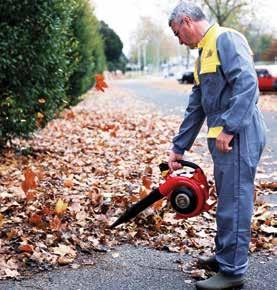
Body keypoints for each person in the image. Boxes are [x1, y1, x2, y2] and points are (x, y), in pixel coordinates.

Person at [168, 2, 266, 290]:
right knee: (227, 198)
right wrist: (179, 147)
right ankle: (225, 257)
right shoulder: (202, 55)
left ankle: (233, 272)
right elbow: (196, 106)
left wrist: (231, 127)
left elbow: (248, 84)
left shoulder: (225, 38)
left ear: (186, 21)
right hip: (225, 139)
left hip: (239, 134)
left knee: (235, 200)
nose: (178, 40)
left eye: (177, 33)